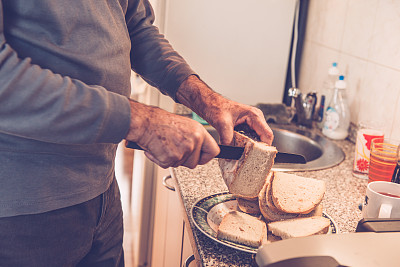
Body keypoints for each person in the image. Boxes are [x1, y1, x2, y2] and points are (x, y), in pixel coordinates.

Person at [0, 0, 273, 266]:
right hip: (24, 214)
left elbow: (137, 28)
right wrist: (141, 121)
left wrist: (209, 102)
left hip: (103, 194)